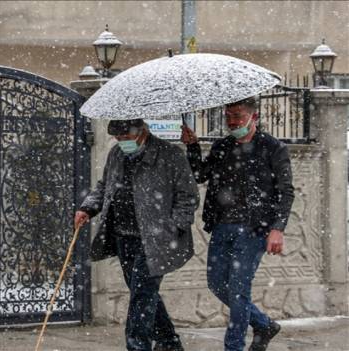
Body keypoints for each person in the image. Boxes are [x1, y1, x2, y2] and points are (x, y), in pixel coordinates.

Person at [180, 97, 294, 351]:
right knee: (217, 284)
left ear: (253, 117)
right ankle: (263, 324)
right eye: (229, 117)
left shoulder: (272, 147)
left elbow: (286, 191)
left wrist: (278, 229)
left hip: (255, 228)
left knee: (239, 290)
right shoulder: (223, 146)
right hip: (222, 226)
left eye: (238, 117)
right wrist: (193, 147)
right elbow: (200, 175)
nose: (232, 122)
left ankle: (233, 347)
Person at [75, 119, 199, 351]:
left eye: (127, 138)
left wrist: (174, 228)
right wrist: (88, 207)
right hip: (124, 236)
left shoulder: (169, 154)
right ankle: (169, 342)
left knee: (141, 297)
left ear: (143, 132)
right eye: (118, 139)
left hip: (156, 239)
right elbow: (105, 186)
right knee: (142, 292)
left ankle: (137, 346)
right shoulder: (116, 154)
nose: (123, 143)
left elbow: (188, 196)